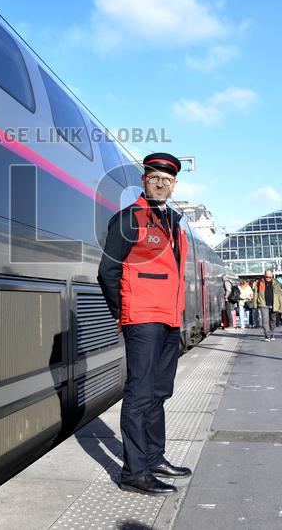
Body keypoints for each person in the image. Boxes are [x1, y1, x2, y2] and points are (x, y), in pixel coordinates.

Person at [98, 153, 192, 496]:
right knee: (139, 393)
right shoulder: (128, 219)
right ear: (144, 181)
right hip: (143, 318)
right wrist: (124, 314)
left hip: (169, 319)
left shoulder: (175, 224)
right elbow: (107, 272)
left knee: (159, 391)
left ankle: (154, 458)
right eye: (155, 177)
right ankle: (134, 472)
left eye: (167, 179)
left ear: (174, 185)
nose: (161, 182)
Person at [253, 270, 282, 341]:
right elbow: (256, 294)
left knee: (273, 320)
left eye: (270, 277)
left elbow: (280, 296)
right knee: (265, 320)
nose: (268, 278)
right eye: (266, 276)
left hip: (274, 304)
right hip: (263, 303)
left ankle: (272, 332)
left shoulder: (276, 283)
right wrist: (255, 304)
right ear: (264, 275)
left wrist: (281, 307)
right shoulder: (259, 283)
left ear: (272, 276)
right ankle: (267, 335)